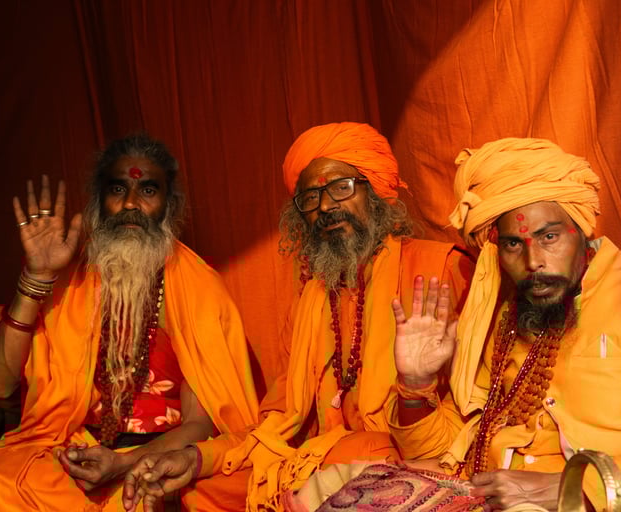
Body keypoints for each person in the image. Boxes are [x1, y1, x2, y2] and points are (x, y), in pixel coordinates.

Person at [125, 122, 475, 511]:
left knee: (363, 451)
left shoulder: (440, 268)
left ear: (376, 190)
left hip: (411, 459)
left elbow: (473, 414)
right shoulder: (312, 297)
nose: (325, 206)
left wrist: (415, 387)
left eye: (341, 188)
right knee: (200, 490)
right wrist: (196, 457)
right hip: (319, 461)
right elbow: (276, 424)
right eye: (310, 197)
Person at [381, 137, 621, 511]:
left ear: (582, 230)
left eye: (549, 237)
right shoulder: (508, 314)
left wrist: (570, 488)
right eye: (513, 244)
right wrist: (416, 385)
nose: (533, 261)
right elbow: (450, 451)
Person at [0, 133, 259, 511]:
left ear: (169, 205)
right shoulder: (70, 282)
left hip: (156, 456)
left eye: (148, 190)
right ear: (98, 201)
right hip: (71, 451)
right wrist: (36, 277)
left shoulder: (198, 289)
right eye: (118, 189)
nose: (131, 203)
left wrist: (123, 463)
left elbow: (201, 423)